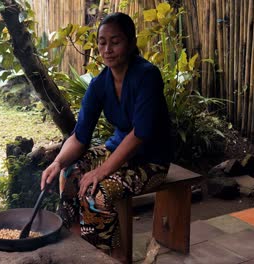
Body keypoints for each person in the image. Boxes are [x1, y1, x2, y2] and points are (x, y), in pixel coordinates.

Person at [41, 12, 172, 261]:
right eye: (102, 42)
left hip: (151, 161)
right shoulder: (100, 83)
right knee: (69, 172)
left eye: (115, 41)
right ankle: (81, 243)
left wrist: (101, 172)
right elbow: (80, 137)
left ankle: (114, 256)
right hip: (117, 151)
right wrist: (58, 162)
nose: (107, 49)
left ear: (131, 43)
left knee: (96, 192)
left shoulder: (147, 76)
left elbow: (139, 135)